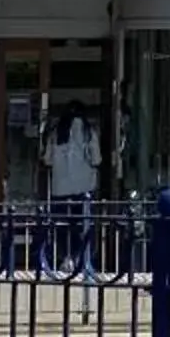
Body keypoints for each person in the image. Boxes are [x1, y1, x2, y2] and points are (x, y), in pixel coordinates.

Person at [45, 105, 100, 272]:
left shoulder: (56, 134)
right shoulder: (89, 133)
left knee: (61, 226)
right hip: (83, 188)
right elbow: (97, 159)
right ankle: (80, 260)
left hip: (60, 189)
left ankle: (64, 259)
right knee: (81, 227)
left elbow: (47, 160)